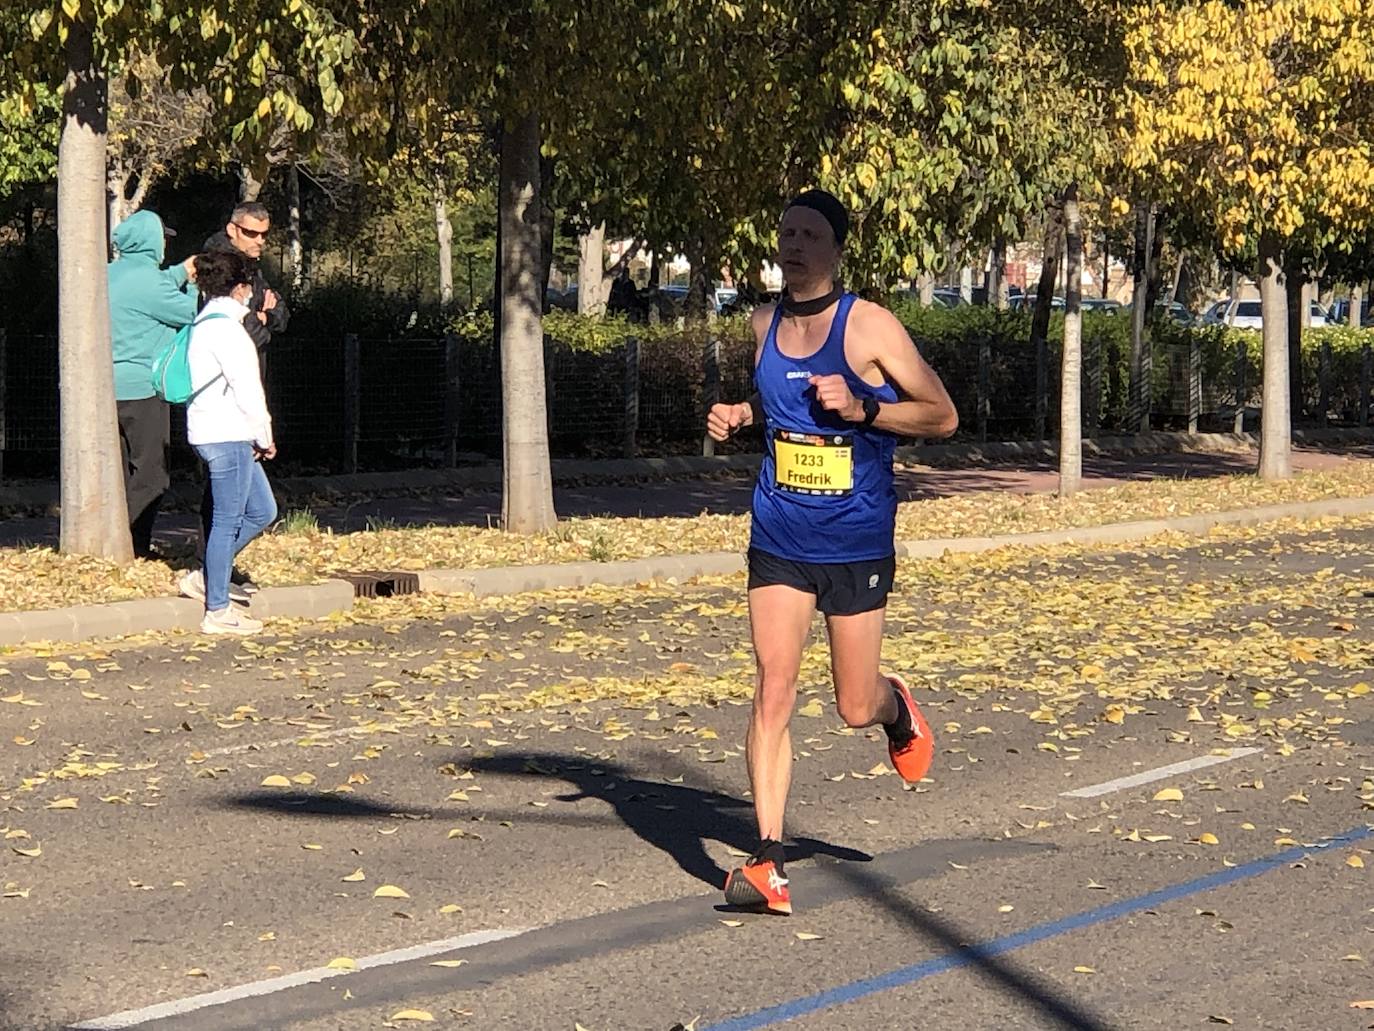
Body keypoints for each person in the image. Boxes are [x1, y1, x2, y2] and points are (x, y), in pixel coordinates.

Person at [705, 189, 959, 916]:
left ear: (836, 248)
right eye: (786, 232)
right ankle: (767, 860)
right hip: (780, 534)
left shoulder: (870, 325)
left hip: (855, 539)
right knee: (773, 687)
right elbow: (777, 404)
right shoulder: (762, 323)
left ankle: (896, 708)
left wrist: (866, 408)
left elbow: (942, 415)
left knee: (852, 704)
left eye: (810, 234)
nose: (794, 245)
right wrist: (740, 415)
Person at [178, 249, 278, 636]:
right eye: (250, 287)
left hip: (213, 431)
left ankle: (208, 577)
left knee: (263, 510)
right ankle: (216, 609)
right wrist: (264, 435)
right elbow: (248, 390)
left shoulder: (203, 323)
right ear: (241, 289)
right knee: (227, 521)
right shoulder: (230, 332)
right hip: (229, 434)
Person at [198, 201, 289, 598]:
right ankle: (214, 584)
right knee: (226, 505)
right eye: (252, 233)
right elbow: (248, 328)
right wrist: (262, 319)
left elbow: (279, 310)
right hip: (226, 412)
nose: (259, 241)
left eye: (264, 235)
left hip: (245, 405)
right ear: (233, 229)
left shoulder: (251, 266)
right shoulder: (221, 262)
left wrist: (268, 316)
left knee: (260, 508)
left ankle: (213, 572)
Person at [108, 210, 199, 558]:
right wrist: (193, 284)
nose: (166, 244)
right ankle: (133, 543)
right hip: (143, 390)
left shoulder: (109, 274)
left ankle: (109, 540)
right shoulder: (151, 284)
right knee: (151, 475)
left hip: (106, 391)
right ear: (151, 241)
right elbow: (190, 314)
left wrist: (180, 272)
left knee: (116, 472)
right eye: (163, 237)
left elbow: (155, 286)